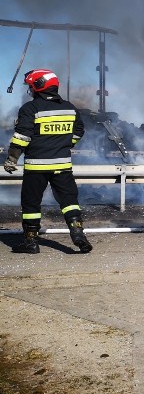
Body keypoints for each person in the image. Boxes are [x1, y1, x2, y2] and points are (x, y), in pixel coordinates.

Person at [3, 68, 92, 254]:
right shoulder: (69, 107)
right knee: (69, 201)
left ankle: (30, 242)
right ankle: (78, 235)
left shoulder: (31, 108)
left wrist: (12, 159)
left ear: (38, 86)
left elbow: (22, 137)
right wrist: (66, 144)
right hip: (63, 166)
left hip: (36, 166)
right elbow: (79, 131)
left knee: (31, 204)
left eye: (31, 86)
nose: (30, 90)